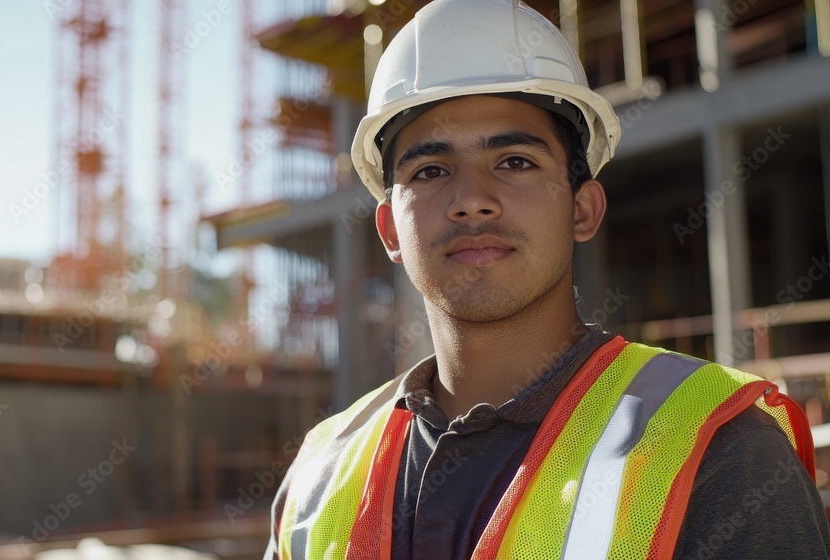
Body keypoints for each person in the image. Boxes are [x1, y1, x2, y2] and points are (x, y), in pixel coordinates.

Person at [266, 0, 830, 558]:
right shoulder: (319, 475)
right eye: (430, 170)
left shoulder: (718, 451)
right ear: (390, 230)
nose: (471, 201)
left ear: (582, 209)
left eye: (515, 162)